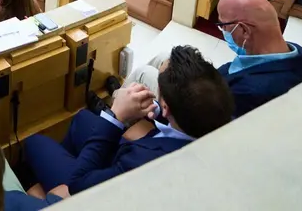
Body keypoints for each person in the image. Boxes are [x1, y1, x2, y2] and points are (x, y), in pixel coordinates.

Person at [22, 45, 233, 198]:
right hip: (133, 156)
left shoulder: (143, 160)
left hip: (96, 187)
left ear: (167, 107)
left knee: (34, 142)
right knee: (82, 118)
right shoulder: (220, 116)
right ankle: (63, 166)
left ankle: (44, 194)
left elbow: (78, 184)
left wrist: (116, 118)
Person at [214, 0, 302, 116]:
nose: (223, 31)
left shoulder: (248, 92)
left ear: (244, 30)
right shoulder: (294, 50)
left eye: (223, 26)